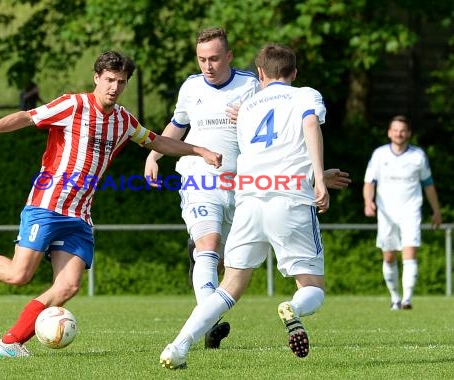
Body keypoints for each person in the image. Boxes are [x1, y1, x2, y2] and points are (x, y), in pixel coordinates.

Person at [0, 50, 222, 358]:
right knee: (18, 275)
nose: (114, 87)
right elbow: (26, 116)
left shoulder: (123, 121)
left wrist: (199, 150)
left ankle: (10, 343)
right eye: (108, 80)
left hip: (80, 216)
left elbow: (157, 141)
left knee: (68, 286)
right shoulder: (73, 105)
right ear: (96, 78)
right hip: (47, 205)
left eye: (121, 81)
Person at [145, 28, 350, 350]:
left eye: (214, 58)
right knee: (307, 283)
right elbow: (302, 133)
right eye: (202, 59)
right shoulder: (303, 95)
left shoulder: (251, 100)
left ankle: (178, 346)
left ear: (256, 71)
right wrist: (317, 179)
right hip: (256, 190)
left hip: (246, 194)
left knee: (231, 283)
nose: (207, 65)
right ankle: (289, 308)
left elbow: (267, 154)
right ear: (294, 73)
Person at [363, 115, 441, 310]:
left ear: (409, 133)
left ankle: (407, 299)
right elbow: (369, 182)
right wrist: (368, 202)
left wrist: (436, 211)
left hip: (410, 211)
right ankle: (395, 298)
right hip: (386, 213)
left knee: (410, 252)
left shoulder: (418, 156)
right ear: (389, 133)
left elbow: (428, 185)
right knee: (388, 256)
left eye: (403, 130)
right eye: (395, 130)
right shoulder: (379, 155)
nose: (399, 133)